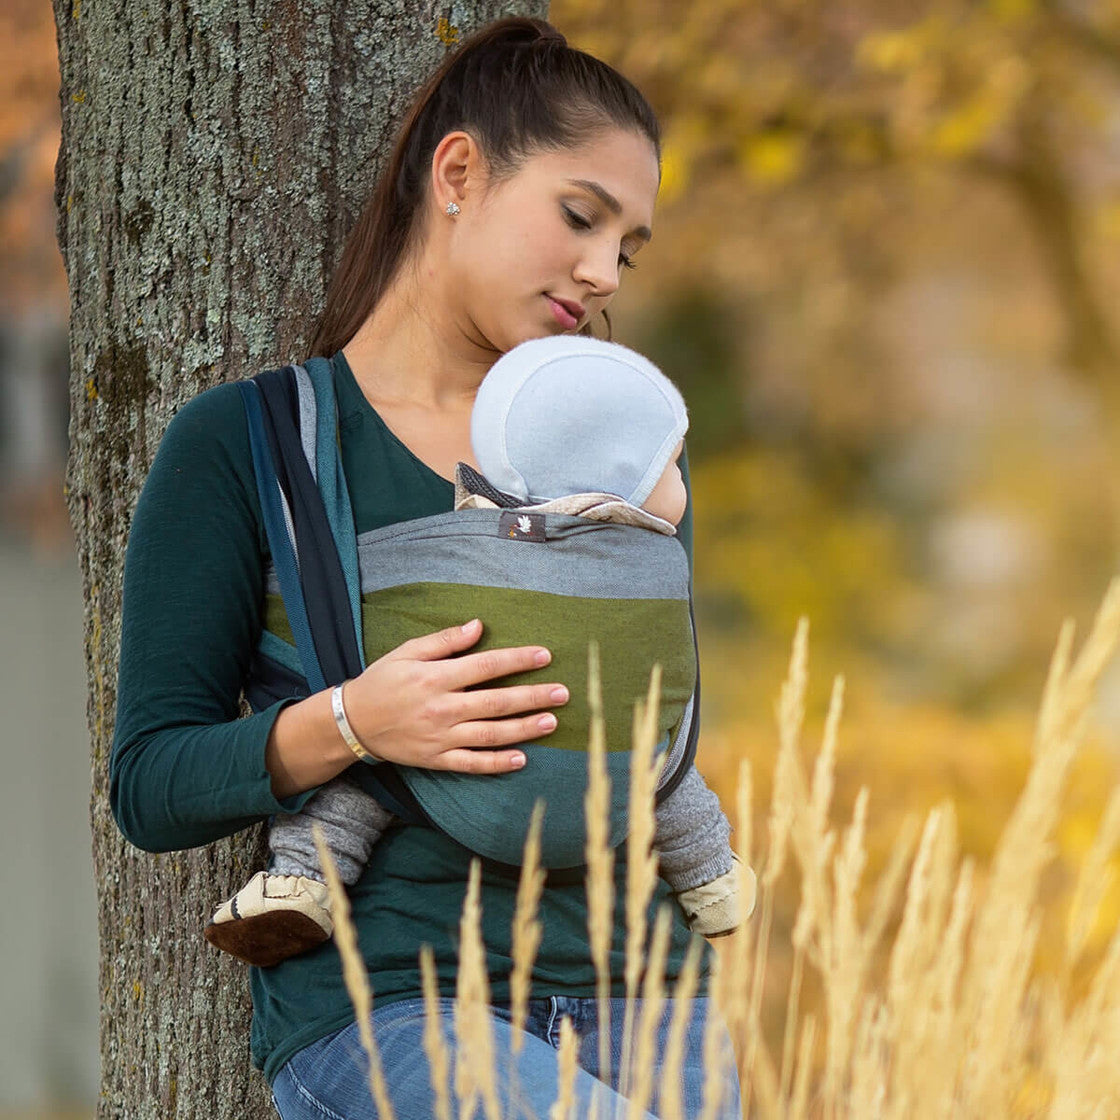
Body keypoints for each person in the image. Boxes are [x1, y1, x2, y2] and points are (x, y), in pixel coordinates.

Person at [111, 16, 742, 1118]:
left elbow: (648, 730)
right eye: (579, 218)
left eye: (626, 249)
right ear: (459, 172)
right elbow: (151, 781)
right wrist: (354, 720)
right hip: (396, 999)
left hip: (648, 992)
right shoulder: (253, 441)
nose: (601, 274)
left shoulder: (623, 452)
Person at [204, 335, 754, 969]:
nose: (681, 483)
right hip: (612, 791)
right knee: (666, 770)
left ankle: (303, 881)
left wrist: (290, 611)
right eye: (671, 463)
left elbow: (380, 589)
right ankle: (711, 878)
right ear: (625, 471)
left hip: (461, 766)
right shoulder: (658, 567)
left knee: (371, 770)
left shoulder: (473, 531)